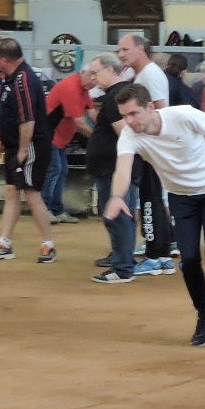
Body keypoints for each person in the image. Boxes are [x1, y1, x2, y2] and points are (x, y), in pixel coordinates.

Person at [104, 84, 205, 348]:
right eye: (124, 116)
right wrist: (116, 197)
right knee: (189, 259)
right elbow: (122, 170)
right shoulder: (129, 136)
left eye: (134, 113)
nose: (129, 121)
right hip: (181, 198)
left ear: (150, 107)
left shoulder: (181, 115)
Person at [0, 38, 57, 263]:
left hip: (30, 144)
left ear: (4, 59)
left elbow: (28, 119)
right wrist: (1, 136)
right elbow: (2, 112)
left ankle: (48, 245)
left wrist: (23, 150)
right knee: (11, 191)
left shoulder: (23, 79)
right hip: (14, 145)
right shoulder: (6, 78)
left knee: (31, 193)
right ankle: (4, 243)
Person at [116, 34, 176, 274]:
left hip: (152, 148)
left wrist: (155, 145)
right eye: (119, 50)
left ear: (140, 49)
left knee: (150, 201)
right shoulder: (143, 74)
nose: (120, 54)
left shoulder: (150, 75)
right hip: (151, 147)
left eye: (125, 49)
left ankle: (155, 257)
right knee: (154, 200)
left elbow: (162, 110)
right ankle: (162, 255)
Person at [86, 53, 136, 282]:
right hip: (111, 167)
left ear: (110, 70)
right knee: (120, 214)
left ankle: (122, 266)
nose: (92, 77)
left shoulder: (115, 97)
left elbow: (125, 134)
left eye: (95, 72)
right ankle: (122, 259)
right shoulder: (118, 94)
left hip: (113, 168)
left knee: (117, 215)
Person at [42, 68, 95, 223]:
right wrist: (98, 137)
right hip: (49, 135)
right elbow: (79, 123)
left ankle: (57, 210)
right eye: (92, 76)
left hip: (61, 139)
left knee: (62, 170)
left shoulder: (84, 89)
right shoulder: (72, 88)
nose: (94, 81)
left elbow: (92, 112)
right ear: (83, 73)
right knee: (54, 169)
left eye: (96, 78)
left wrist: (104, 128)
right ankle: (44, 210)